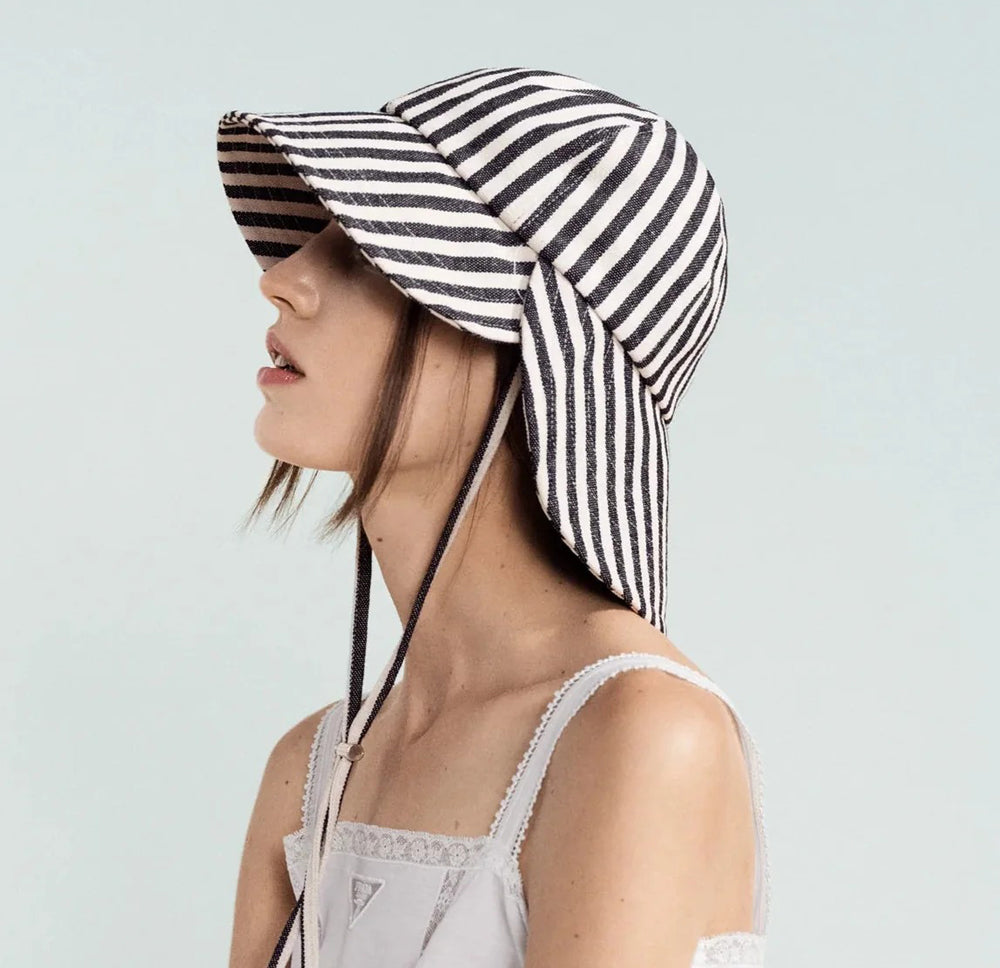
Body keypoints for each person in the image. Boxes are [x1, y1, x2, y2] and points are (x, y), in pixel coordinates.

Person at [217, 66, 771, 968]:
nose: (282, 282)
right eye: (312, 236)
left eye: (366, 247)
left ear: (539, 342)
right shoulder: (311, 768)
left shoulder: (636, 733)